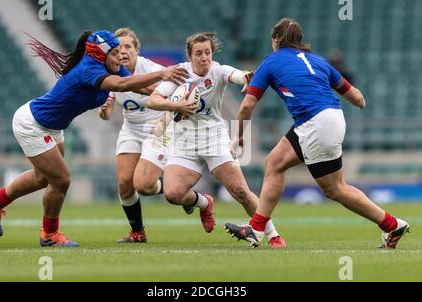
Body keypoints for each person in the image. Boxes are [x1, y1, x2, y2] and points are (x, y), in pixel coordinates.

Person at [0, 30, 188, 247]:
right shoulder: (90, 68)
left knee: (43, 178)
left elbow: (140, 87)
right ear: (101, 54)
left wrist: (174, 98)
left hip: (52, 126)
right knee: (61, 180)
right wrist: (162, 74)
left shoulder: (111, 65)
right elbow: (121, 85)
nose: (120, 57)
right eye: (115, 53)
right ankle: (49, 235)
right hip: (33, 124)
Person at [224, 18, 410, 249]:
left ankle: (392, 225)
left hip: (315, 123)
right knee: (275, 162)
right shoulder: (318, 61)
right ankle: (258, 227)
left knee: (335, 189)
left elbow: (246, 106)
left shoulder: (271, 61)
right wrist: (361, 103)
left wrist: (239, 135)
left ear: (276, 40)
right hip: (330, 117)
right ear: (300, 41)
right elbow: (356, 97)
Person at [147, 32, 286, 248]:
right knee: (173, 194)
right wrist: (177, 106)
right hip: (184, 143)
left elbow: (238, 75)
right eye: (199, 53)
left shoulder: (218, 71)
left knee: (240, 191)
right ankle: (204, 203)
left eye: (208, 53)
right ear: (189, 56)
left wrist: (248, 77)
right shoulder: (180, 74)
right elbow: (153, 100)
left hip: (214, 139)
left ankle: (273, 235)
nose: (204, 58)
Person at [98, 28, 191, 243]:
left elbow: (178, 96)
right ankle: (137, 233)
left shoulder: (152, 69)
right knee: (124, 184)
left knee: (145, 185)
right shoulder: (111, 72)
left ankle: (186, 195)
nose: (122, 52)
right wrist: (103, 111)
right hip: (131, 129)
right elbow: (106, 113)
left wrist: (164, 121)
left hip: (158, 128)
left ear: (137, 50)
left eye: (128, 47)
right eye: (117, 48)